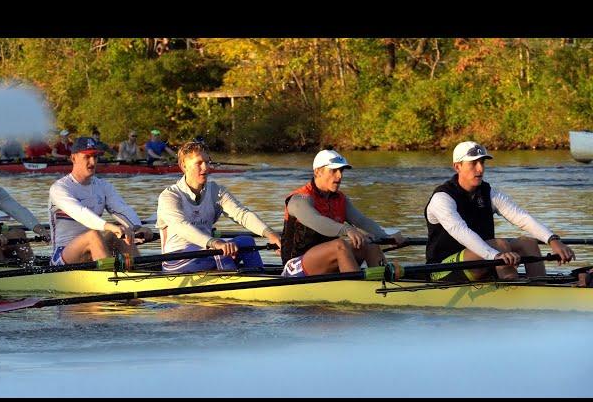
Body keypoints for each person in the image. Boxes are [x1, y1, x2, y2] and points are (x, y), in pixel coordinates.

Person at [424, 141, 575, 281]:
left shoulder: (488, 193)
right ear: (457, 167)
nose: (480, 169)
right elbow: (460, 231)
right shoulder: (442, 198)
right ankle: (512, 291)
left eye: (482, 162)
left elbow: (521, 217)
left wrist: (553, 240)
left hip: (483, 258)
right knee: (499, 244)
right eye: (473, 163)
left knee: (527, 243)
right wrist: (495, 255)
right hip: (442, 268)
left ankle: (541, 290)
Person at [156, 141, 281, 273]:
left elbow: (242, 214)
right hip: (176, 260)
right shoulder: (170, 196)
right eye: (199, 163)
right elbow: (181, 226)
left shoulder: (216, 191)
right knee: (221, 250)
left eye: (207, 162)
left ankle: (260, 278)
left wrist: (270, 234)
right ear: (183, 166)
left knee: (247, 242)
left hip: (207, 251)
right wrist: (214, 242)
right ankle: (235, 286)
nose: (205, 167)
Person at [280, 149, 404, 277]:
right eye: (333, 170)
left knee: (368, 242)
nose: (339, 176)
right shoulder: (299, 199)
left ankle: (385, 283)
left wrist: (387, 235)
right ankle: (357, 290)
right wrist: (347, 229)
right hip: (295, 267)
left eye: (341, 170)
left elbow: (361, 221)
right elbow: (316, 221)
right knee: (340, 245)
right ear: (318, 172)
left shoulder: (340, 199)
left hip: (326, 259)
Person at [48, 136, 153, 266]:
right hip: (63, 256)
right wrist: (109, 226)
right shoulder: (60, 188)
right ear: (73, 158)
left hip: (94, 248)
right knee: (93, 235)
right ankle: (111, 279)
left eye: (95, 157)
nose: (92, 162)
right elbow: (80, 213)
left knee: (122, 232)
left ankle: (140, 271)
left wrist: (137, 227)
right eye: (87, 157)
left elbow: (121, 209)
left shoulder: (103, 186)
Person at [0, 180, 50, 263]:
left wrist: (40, 229)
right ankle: (1, 273)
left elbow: (17, 211)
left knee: (18, 234)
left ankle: (32, 266)